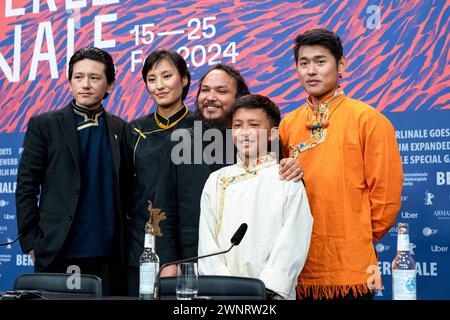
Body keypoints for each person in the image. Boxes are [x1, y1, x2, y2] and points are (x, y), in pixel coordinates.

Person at [279, 29, 403, 300]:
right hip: (296, 266)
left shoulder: (368, 119)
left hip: (351, 269)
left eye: (320, 61)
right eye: (303, 63)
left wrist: (354, 236)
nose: (311, 70)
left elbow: (386, 197)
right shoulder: (288, 125)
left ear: (341, 65)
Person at [154, 64, 304, 277]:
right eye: (204, 90)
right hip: (188, 261)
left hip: (250, 261)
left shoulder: (260, 141)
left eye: (221, 91)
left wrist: (293, 167)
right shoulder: (179, 141)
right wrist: (167, 261)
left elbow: (281, 193)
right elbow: (162, 207)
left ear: (239, 98)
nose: (210, 97)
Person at [15, 47, 127, 295]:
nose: (85, 84)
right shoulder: (44, 125)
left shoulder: (120, 127)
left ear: (109, 85)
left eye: (94, 77)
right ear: (70, 82)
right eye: (78, 77)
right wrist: (31, 241)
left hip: (109, 253)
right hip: (58, 249)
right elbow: (26, 185)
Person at [198, 94, 313, 300]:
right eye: (238, 125)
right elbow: (207, 241)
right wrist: (224, 287)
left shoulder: (287, 179)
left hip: (270, 295)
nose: (244, 133)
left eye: (253, 125)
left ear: (272, 134)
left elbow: (294, 238)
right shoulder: (216, 180)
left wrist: (265, 289)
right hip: (223, 295)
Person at [123, 49, 194, 296]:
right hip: (140, 244)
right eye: (152, 79)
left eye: (167, 76)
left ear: (184, 79)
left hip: (190, 247)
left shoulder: (202, 127)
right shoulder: (134, 131)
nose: (159, 86)